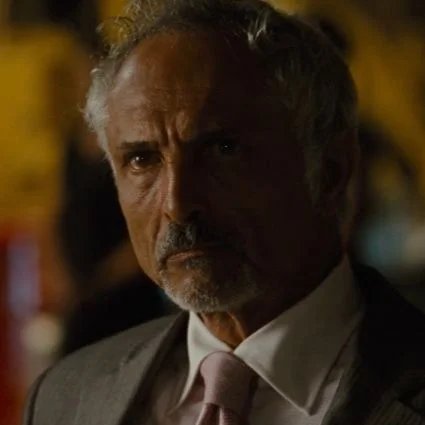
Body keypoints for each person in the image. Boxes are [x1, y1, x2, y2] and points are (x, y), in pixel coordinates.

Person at [23, 1, 425, 424]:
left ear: (330, 171)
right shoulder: (64, 398)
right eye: (142, 159)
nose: (177, 204)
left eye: (222, 150)